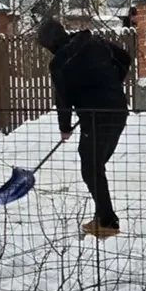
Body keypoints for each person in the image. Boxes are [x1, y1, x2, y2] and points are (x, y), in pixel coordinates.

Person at [37, 17, 131, 238]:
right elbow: (124, 58)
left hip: (96, 118)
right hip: (117, 111)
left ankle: (108, 222)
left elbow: (63, 99)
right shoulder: (93, 41)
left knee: (91, 167)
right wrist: (111, 83)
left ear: (50, 44)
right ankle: (103, 216)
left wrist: (65, 127)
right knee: (95, 165)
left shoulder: (60, 63)